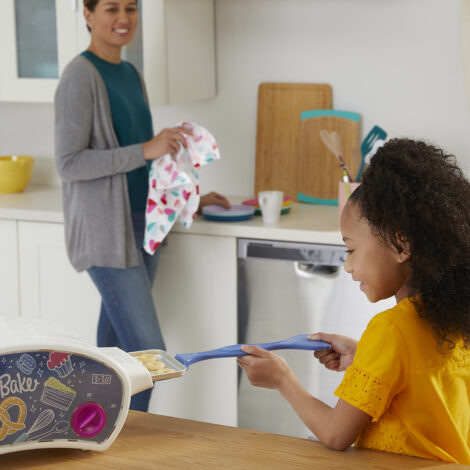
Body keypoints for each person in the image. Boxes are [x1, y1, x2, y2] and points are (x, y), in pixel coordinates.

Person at [238, 138, 470, 463]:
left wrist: (282, 379)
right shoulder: (453, 321)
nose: (347, 266)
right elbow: (421, 382)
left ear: (401, 245)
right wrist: (364, 357)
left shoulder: (390, 329)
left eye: (350, 249)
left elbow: (336, 434)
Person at [54, 0, 230, 412]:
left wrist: (189, 199)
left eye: (131, 9)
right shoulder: (80, 77)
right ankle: (126, 446)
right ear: (87, 14)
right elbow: (69, 163)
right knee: (148, 353)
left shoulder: (131, 73)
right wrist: (145, 149)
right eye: (111, 8)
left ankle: (90, 432)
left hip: (143, 227)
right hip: (105, 234)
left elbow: (147, 167)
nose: (123, 19)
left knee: (112, 353)